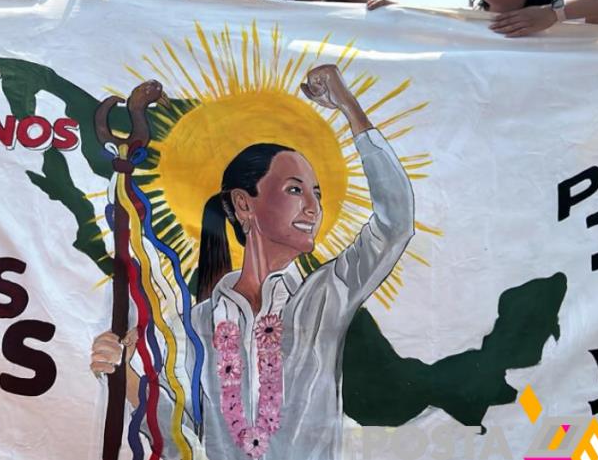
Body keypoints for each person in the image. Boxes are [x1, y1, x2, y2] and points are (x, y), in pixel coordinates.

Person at [92, 64, 415, 459]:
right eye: (295, 190)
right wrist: (122, 373)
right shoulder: (196, 324)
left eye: (317, 193)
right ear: (245, 204)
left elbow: (395, 221)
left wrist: (348, 106)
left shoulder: (326, 296)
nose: (314, 207)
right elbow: (181, 439)